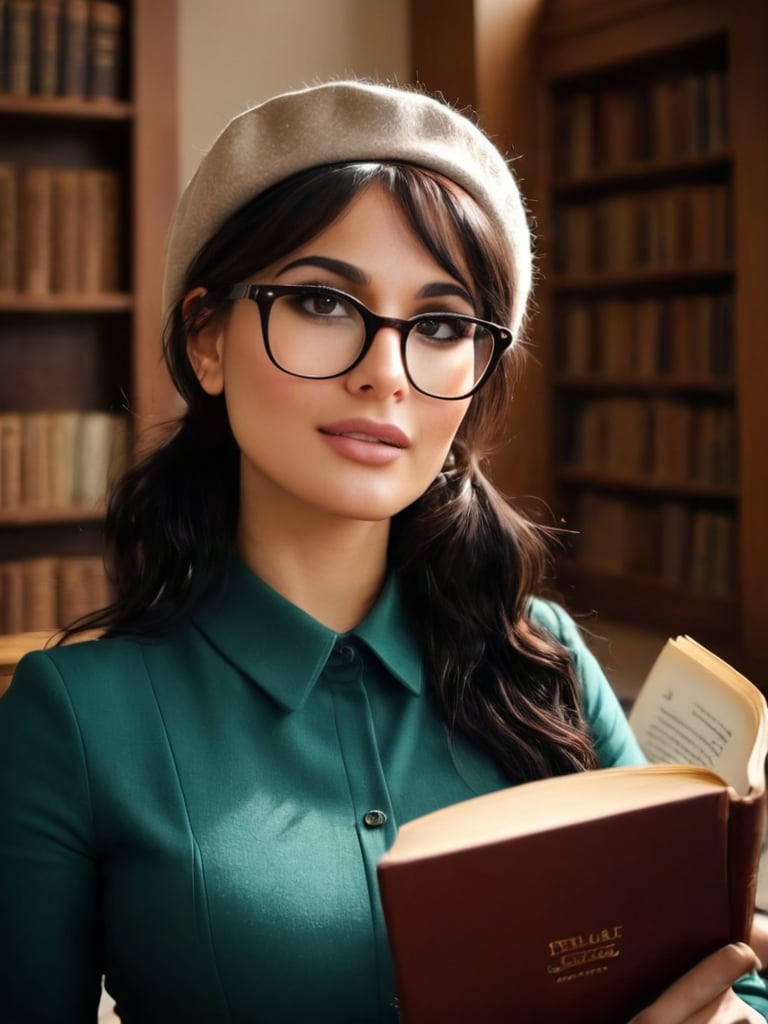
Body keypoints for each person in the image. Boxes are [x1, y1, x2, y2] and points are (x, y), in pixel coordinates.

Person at [0, 80, 765, 1024]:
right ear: (207, 338)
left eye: (441, 326)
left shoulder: (546, 662)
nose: (385, 373)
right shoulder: (73, 720)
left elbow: (725, 976)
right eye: (323, 302)